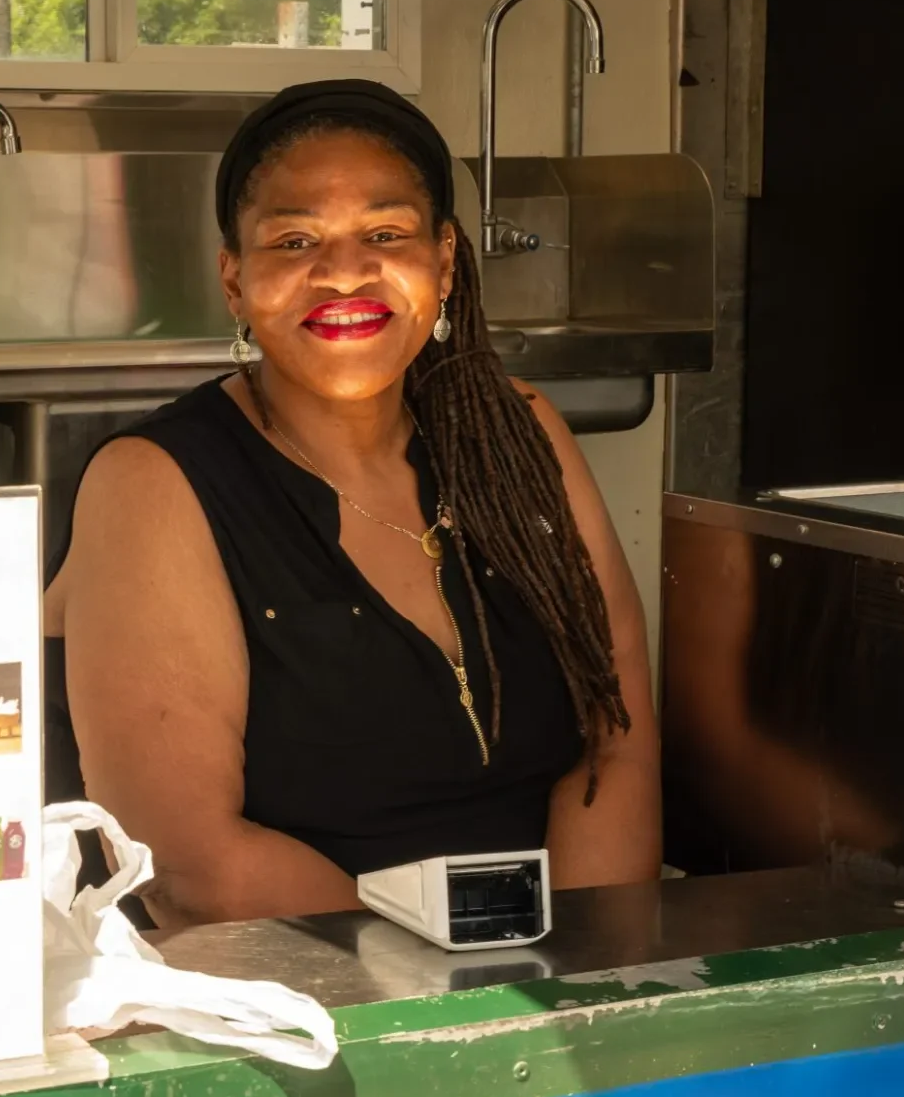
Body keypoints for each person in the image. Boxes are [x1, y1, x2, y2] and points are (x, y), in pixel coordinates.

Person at [43, 79, 660, 928]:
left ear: (444, 261)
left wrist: (583, 973)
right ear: (233, 278)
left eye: (385, 233)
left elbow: (614, 746)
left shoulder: (521, 438)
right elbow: (190, 868)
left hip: (549, 973)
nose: (342, 273)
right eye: (294, 240)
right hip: (313, 1004)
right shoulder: (154, 482)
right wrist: (449, 1000)